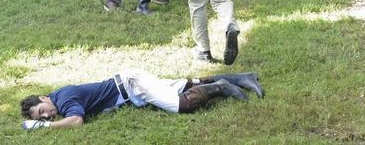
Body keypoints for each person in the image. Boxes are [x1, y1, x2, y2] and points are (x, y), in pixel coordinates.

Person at [21, 69, 264, 130]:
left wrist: (43, 126)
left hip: (132, 85)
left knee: (182, 104)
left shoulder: (63, 100)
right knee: (184, 84)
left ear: (44, 97)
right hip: (130, 84)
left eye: (42, 110)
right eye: (41, 116)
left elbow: (76, 121)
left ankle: (221, 86)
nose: (46, 114)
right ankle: (243, 77)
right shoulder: (61, 98)